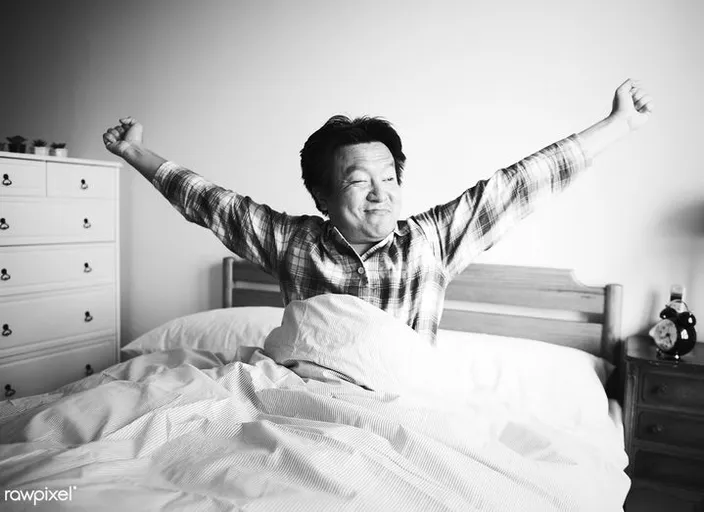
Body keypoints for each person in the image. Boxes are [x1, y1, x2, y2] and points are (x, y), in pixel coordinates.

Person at [103, 78, 653, 343]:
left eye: (389, 179)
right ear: (322, 197)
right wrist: (134, 152)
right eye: (359, 181)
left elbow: (520, 184)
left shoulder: (433, 242)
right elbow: (210, 202)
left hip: (399, 405)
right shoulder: (293, 244)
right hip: (303, 403)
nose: (380, 194)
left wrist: (619, 124)